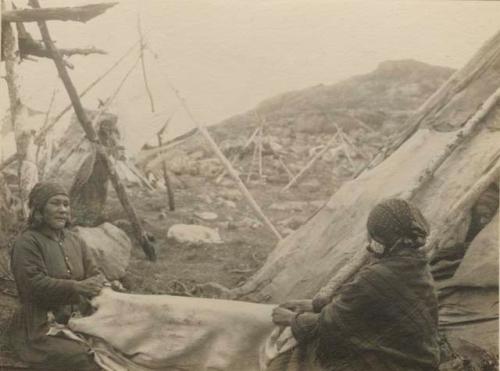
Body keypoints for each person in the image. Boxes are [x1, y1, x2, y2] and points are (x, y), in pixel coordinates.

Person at [270, 198, 440, 371]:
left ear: (381, 239)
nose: (369, 240)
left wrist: (292, 319)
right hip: (422, 363)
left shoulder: (378, 275)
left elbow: (331, 325)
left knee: (293, 360)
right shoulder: (417, 267)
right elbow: (361, 308)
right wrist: (315, 305)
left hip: (392, 365)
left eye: (372, 235)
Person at [8, 182, 106, 370]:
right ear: (39, 209)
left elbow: (94, 272)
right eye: (55, 203)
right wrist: (76, 287)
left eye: (66, 204)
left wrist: (100, 283)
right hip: (39, 327)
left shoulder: (74, 239)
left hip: (79, 319)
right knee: (81, 356)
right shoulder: (27, 242)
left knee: (115, 343)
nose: (63, 210)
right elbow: (32, 285)